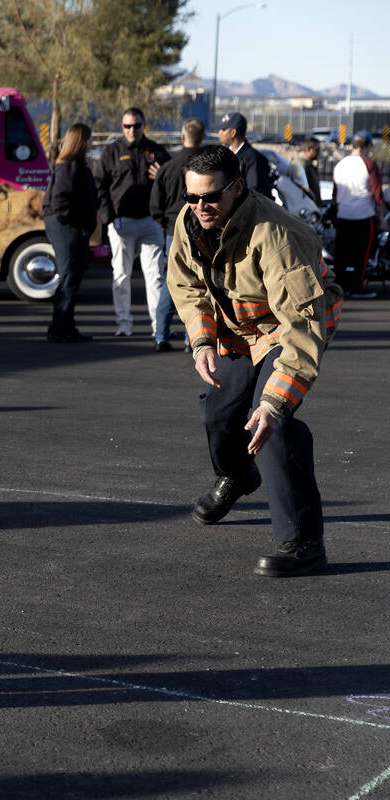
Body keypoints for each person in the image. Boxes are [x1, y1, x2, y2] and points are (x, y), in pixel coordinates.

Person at [167, 146, 342, 577]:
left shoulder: (279, 236)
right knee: (218, 414)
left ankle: (303, 543)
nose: (200, 207)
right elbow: (186, 285)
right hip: (239, 331)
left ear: (238, 187)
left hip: (290, 327)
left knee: (270, 425)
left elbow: (301, 325)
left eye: (211, 197)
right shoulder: (190, 222)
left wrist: (274, 401)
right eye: (192, 198)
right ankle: (238, 477)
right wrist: (203, 341)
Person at [93, 106, 171, 340]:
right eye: (127, 126)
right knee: (121, 275)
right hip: (121, 223)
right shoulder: (111, 152)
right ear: (122, 127)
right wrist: (108, 218)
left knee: (155, 276)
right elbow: (100, 186)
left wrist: (161, 176)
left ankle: (159, 327)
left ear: (143, 126)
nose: (132, 130)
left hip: (150, 222)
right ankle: (124, 325)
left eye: (136, 125)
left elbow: (174, 182)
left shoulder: (156, 151)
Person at [150, 117, 205, 352]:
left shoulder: (168, 167)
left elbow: (155, 205)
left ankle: (161, 335)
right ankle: (191, 339)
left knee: (172, 284)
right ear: (201, 139)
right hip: (200, 231)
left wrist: (166, 224)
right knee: (198, 286)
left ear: (182, 138)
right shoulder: (203, 170)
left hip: (173, 230)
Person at [41, 123, 97, 343]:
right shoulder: (69, 166)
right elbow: (60, 200)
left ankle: (66, 326)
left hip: (70, 226)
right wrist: (76, 224)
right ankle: (58, 328)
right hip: (66, 227)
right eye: (89, 140)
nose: (91, 144)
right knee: (68, 276)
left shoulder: (74, 166)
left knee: (73, 275)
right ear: (81, 142)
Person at [331, 130, 385, 298]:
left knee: (342, 254)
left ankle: (339, 287)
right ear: (367, 145)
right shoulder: (368, 164)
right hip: (363, 215)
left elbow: (335, 192)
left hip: (343, 214)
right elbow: (377, 194)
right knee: (361, 254)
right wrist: (381, 215)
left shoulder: (340, 164)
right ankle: (356, 287)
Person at [217, 112, 273, 200]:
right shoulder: (225, 153)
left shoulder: (253, 158)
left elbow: (255, 192)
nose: (219, 132)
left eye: (223, 129)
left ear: (233, 133)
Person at [287, 138, 322, 205]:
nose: (319, 152)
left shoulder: (307, 163)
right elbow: (299, 189)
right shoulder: (300, 163)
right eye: (317, 149)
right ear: (308, 149)